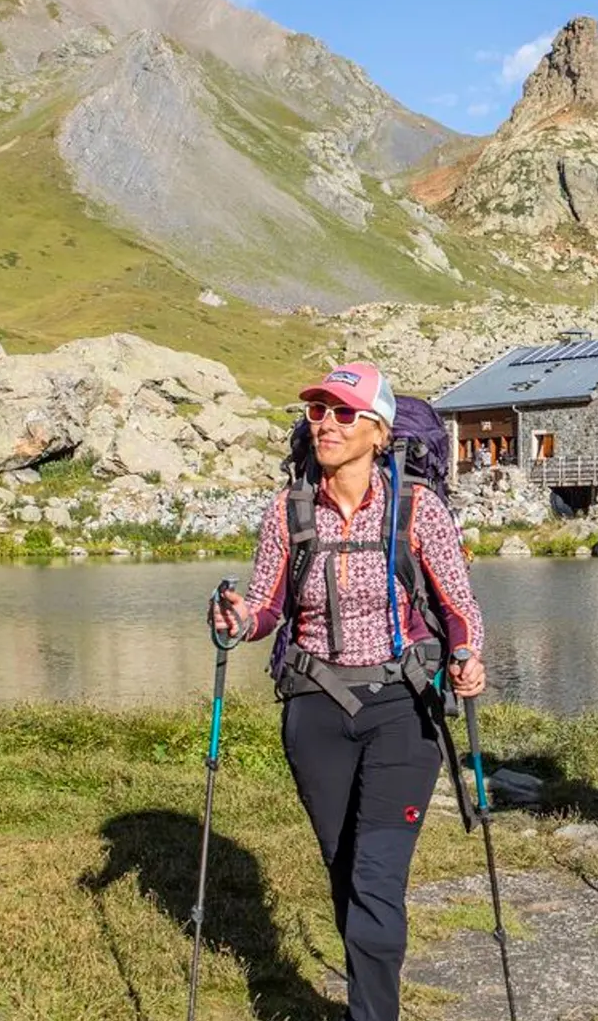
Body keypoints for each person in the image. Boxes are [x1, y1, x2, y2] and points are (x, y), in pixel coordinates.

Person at [210, 362, 486, 1021]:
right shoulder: (288, 512)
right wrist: (238, 618)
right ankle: (372, 990)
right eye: (316, 413)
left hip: (403, 708)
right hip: (315, 709)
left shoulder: (420, 509)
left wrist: (469, 654)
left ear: (379, 430)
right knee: (344, 871)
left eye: (342, 413)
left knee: (375, 878)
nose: (326, 425)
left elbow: (459, 607)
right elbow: (268, 607)